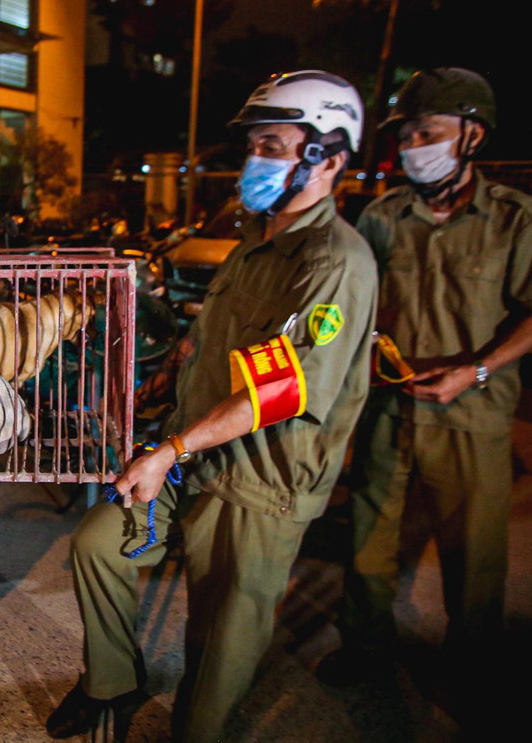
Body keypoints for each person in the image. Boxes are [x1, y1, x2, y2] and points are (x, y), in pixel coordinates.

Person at [47, 71, 378, 743]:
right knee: (99, 545)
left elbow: (282, 389)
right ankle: (113, 681)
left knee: (221, 638)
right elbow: (211, 336)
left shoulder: (334, 260)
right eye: (255, 144)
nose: (255, 159)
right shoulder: (255, 242)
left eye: (273, 144)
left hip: (258, 482)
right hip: (193, 453)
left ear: (330, 159)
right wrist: (169, 376)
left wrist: (169, 449)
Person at [317, 68, 532, 694]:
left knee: (473, 553)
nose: (414, 144)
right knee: (369, 540)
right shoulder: (382, 215)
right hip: (388, 410)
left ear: (472, 134)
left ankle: (471, 665)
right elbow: (354, 304)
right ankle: (365, 648)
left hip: (473, 413)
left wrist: (475, 370)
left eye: (430, 130)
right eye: (408, 133)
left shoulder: (521, 220)